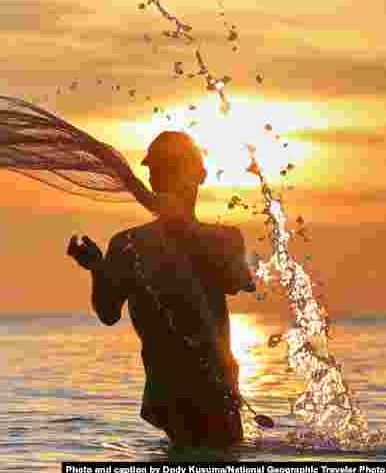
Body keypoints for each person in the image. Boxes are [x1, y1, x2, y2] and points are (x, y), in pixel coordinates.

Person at [67, 131, 256, 451]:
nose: (164, 180)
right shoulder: (132, 244)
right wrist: (98, 269)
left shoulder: (217, 239)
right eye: (162, 172)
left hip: (188, 393)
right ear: (201, 175)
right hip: (193, 393)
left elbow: (234, 280)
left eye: (168, 170)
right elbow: (109, 312)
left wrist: (100, 269)